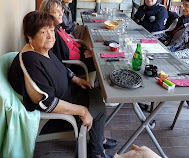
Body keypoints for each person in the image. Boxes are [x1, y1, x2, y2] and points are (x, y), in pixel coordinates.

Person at [8, 11, 116, 158]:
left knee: (96, 93)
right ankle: (96, 153)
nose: (50, 36)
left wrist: (75, 78)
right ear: (30, 36)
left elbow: (59, 66)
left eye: (52, 30)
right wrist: (82, 111)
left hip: (69, 95)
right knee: (98, 105)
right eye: (43, 32)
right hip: (57, 116)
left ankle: (97, 145)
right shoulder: (30, 61)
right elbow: (47, 103)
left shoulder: (42, 49)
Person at [39, 0, 96, 76]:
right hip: (73, 64)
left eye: (61, 10)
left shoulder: (58, 27)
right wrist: (83, 56)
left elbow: (70, 40)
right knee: (97, 62)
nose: (61, 14)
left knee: (96, 55)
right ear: (47, 15)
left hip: (78, 55)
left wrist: (82, 49)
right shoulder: (52, 35)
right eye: (56, 12)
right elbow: (66, 54)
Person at [160, 0, 189, 68]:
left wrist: (172, 55)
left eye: (187, 6)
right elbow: (168, 33)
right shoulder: (182, 19)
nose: (183, 8)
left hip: (180, 62)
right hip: (167, 51)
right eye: (183, 5)